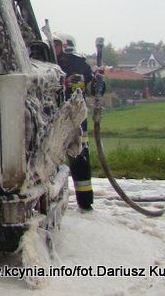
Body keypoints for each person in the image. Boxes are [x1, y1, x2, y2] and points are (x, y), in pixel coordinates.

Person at [53, 33, 94, 211]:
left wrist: (99, 83)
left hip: (76, 121)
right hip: (55, 119)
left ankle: (85, 203)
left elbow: (91, 87)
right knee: (52, 160)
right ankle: (54, 200)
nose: (53, 48)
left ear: (65, 46)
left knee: (80, 159)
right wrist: (65, 83)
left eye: (56, 44)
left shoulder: (80, 64)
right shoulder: (48, 62)